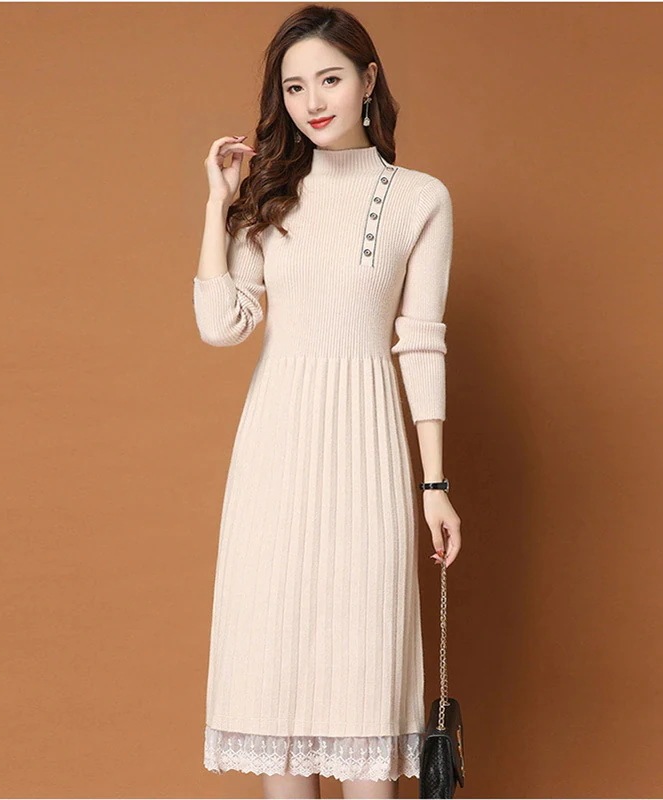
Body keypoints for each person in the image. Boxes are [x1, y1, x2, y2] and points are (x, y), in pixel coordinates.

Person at [192, 4, 462, 798]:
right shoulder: (268, 197)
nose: (313, 100)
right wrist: (217, 206)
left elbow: (421, 340)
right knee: (278, 699)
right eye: (295, 86)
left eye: (331, 79)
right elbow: (220, 325)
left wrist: (435, 485)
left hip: (368, 454)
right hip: (275, 456)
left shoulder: (420, 198)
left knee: (363, 694)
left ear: (369, 80)